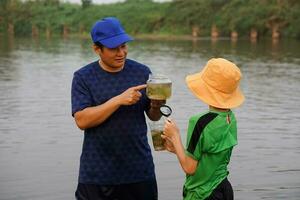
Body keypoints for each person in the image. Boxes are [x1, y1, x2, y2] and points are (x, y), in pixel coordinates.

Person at [71, 17, 164, 200]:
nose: (121, 53)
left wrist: (157, 104)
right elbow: (82, 120)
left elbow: (153, 117)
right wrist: (118, 100)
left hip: (139, 171)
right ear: (97, 49)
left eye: (124, 46)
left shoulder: (142, 72)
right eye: (114, 48)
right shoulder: (83, 77)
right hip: (97, 173)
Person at [162, 58, 245, 200]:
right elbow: (210, 157)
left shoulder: (200, 122)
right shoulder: (230, 118)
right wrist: (177, 149)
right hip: (224, 188)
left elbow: (190, 168)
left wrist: (175, 136)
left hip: (202, 194)